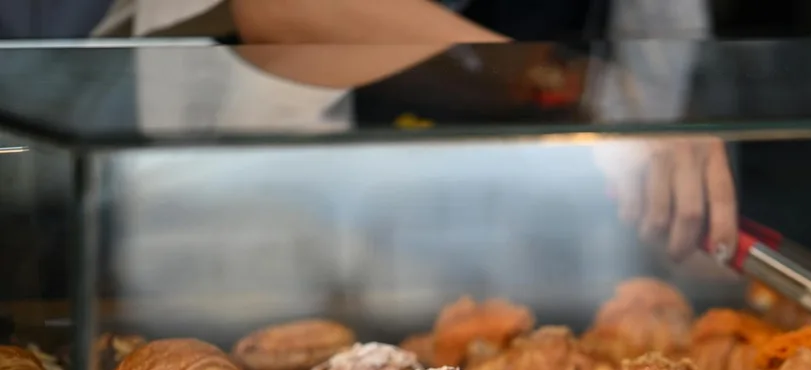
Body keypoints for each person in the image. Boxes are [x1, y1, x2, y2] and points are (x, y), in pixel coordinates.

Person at [0, 0, 737, 264]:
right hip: (132, 192)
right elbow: (289, 11)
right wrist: (584, 97)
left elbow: (660, 44)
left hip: (469, 238)